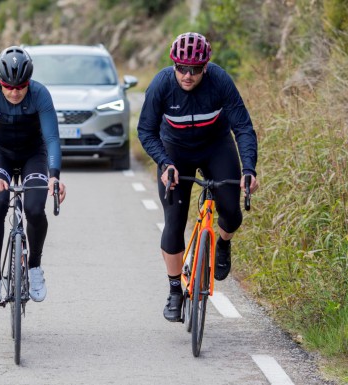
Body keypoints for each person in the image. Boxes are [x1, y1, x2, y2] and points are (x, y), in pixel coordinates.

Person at [137, 32, 260, 322]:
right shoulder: (161, 85)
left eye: (194, 69)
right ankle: (175, 290)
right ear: (174, 65)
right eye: (181, 68)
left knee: (231, 210)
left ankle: (223, 244)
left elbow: (243, 127)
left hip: (216, 146)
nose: (187, 75)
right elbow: (145, 130)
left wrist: (249, 169)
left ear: (206, 67)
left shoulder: (220, 82)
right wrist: (165, 163)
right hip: (174, 151)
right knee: (174, 220)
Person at [0, 46, 67, 303]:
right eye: (8, 86)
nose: (15, 92)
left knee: (35, 209)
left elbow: (51, 139)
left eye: (21, 86)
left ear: (29, 82)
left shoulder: (40, 94)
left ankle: (35, 267)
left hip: (32, 154)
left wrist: (54, 175)